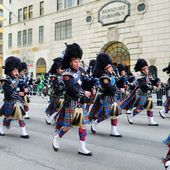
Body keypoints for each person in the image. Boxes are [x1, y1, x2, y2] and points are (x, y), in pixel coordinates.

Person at [52, 43, 92, 156]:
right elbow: (72, 90)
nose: (77, 63)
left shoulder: (81, 71)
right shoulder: (66, 74)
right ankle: (57, 137)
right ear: (70, 61)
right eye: (75, 61)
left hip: (81, 104)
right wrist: (85, 92)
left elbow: (86, 84)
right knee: (67, 127)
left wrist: (92, 87)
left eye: (79, 61)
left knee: (83, 125)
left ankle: (82, 147)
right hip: (71, 104)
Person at [89, 53, 122, 137]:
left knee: (115, 113)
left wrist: (121, 81)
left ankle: (113, 130)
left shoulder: (112, 75)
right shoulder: (104, 77)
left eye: (110, 66)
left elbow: (117, 84)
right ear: (105, 69)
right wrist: (116, 87)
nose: (111, 68)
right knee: (106, 115)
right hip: (107, 97)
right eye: (109, 67)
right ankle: (95, 123)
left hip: (113, 97)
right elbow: (109, 87)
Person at [0, 56, 29, 138]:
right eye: (15, 71)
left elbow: (24, 86)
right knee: (7, 118)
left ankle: (24, 132)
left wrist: (26, 89)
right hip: (9, 102)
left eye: (17, 70)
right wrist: (18, 94)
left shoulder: (19, 79)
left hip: (18, 102)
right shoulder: (5, 81)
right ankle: (1, 128)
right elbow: (9, 92)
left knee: (21, 117)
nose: (17, 72)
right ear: (10, 71)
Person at [127, 59, 159, 126]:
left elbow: (153, 80)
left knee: (150, 106)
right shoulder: (140, 77)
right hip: (141, 95)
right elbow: (144, 86)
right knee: (140, 107)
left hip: (148, 95)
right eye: (144, 69)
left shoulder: (149, 75)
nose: (146, 70)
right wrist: (153, 87)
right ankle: (131, 115)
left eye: (147, 68)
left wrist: (158, 81)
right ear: (141, 70)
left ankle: (151, 120)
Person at [45, 57, 65, 124]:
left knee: (59, 108)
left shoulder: (63, 75)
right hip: (54, 94)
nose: (61, 70)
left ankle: (52, 117)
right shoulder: (53, 76)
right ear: (56, 69)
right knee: (54, 107)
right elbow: (54, 85)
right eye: (60, 68)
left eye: (62, 68)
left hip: (61, 94)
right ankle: (49, 117)